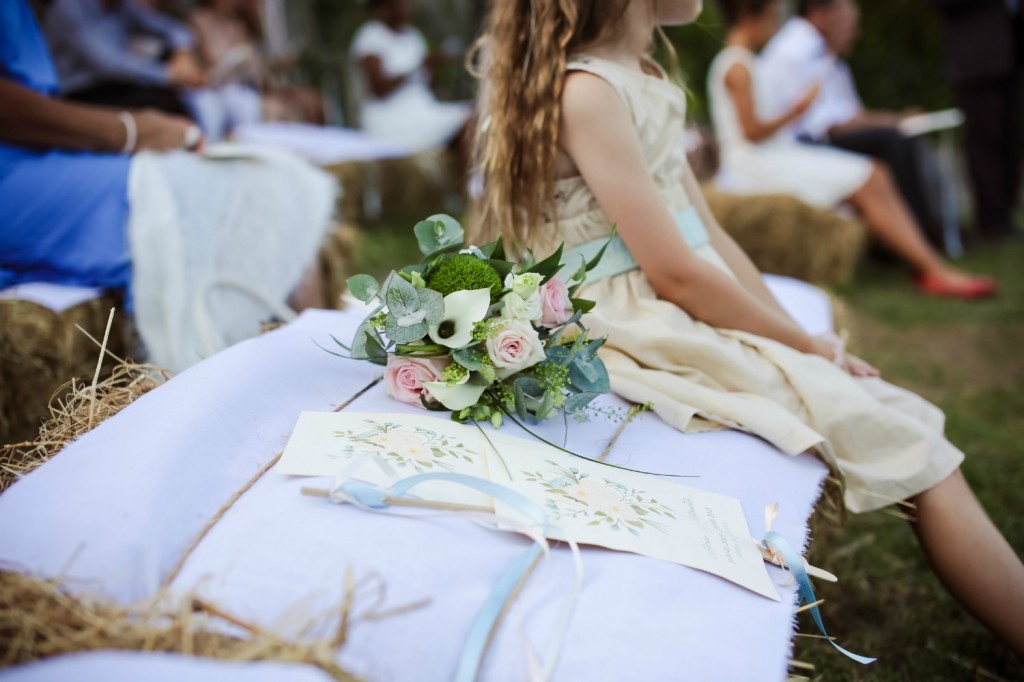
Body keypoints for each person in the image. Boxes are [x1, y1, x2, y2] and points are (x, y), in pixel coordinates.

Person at [472, 0, 1024, 655]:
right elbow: (675, 272)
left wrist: (802, 338)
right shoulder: (588, 91)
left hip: (667, 297)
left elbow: (706, 238)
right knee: (911, 448)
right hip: (626, 317)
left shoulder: (643, 73)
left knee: (892, 419)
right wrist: (801, 345)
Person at [2, 0, 332, 371]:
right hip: (18, 166)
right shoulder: (72, 12)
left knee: (276, 174)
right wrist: (132, 130)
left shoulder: (122, 13)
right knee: (258, 182)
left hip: (46, 148)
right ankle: (297, 372)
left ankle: (314, 369)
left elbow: (173, 39)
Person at [706, 0, 995, 298]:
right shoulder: (737, 65)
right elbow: (751, 131)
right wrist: (798, 109)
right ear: (749, 17)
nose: (773, 27)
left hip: (772, 153)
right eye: (770, 18)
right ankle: (932, 268)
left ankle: (928, 260)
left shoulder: (743, 62)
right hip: (755, 163)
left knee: (877, 173)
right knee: (870, 176)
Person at [758, 0, 948, 247]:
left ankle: (925, 231)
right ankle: (921, 236)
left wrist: (898, 120)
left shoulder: (825, 55)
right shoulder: (798, 52)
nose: (855, 32)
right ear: (820, 13)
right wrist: (896, 122)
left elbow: (850, 114)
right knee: (894, 141)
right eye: (849, 21)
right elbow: (828, 125)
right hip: (802, 145)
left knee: (901, 136)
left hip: (818, 139)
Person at [929, 0, 1023, 242]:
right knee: (986, 138)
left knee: (1010, 135)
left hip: (1011, 49)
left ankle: (1006, 213)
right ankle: (991, 220)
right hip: (977, 57)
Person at [42, 0, 204, 118]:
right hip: (79, 95)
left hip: (116, 88)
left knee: (173, 102)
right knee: (161, 106)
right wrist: (168, 75)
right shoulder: (70, 7)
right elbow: (107, 65)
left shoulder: (122, 7)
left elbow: (175, 30)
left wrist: (182, 52)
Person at [350, 0, 470, 156]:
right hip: (392, 119)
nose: (407, 7)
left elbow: (427, 88)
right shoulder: (371, 35)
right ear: (384, 7)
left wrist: (433, 68)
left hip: (423, 110)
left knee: (476, 116)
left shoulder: (414, 36)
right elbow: (378, 89)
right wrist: (418, 68)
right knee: (468, 121)